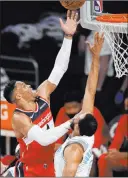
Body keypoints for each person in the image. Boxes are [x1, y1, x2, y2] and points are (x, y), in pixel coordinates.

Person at [3, 10, 78, 177]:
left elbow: (60, 68)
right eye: (23, 86)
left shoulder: (42, 94)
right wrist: (71, 123)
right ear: (18, 97)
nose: (29, 85)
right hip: (31, 170)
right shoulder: (19, 117)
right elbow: (44, 139)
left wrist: (68, 37)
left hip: (47, 165)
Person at [54, 32, 104, 177]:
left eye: (77, 118)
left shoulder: (74, 149)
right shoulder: (86, 134)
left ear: (77, 125)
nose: (75, 116)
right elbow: (90, 89)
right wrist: (95, 57)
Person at [98, 97, 128, 177]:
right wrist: (112, 153)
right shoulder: (123, 120)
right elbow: (114, 147)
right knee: (104, 159)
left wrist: (122, 155)